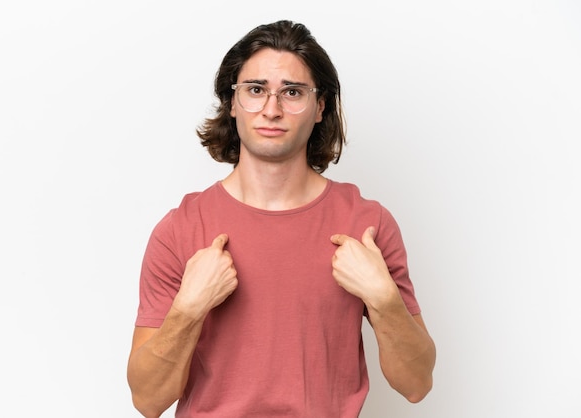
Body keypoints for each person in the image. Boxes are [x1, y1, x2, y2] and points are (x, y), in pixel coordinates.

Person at [127, 19, 436, 418]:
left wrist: (384, 299)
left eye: (292, 92)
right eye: (255, 90)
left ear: (320, 106)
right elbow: (147, 401)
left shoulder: (368, 224)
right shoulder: (180, 230)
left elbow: (416, 385)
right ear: (232, 102)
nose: (271, 110)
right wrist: (188, 309)